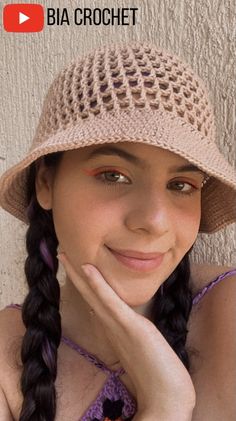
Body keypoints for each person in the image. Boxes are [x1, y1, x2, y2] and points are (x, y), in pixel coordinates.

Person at [0, 41, 235, 421]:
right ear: (45, 183)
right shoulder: (6, 356)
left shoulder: (228, 315)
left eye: (181, 185)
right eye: (113, 175)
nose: (155, 220)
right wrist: (165, 404)